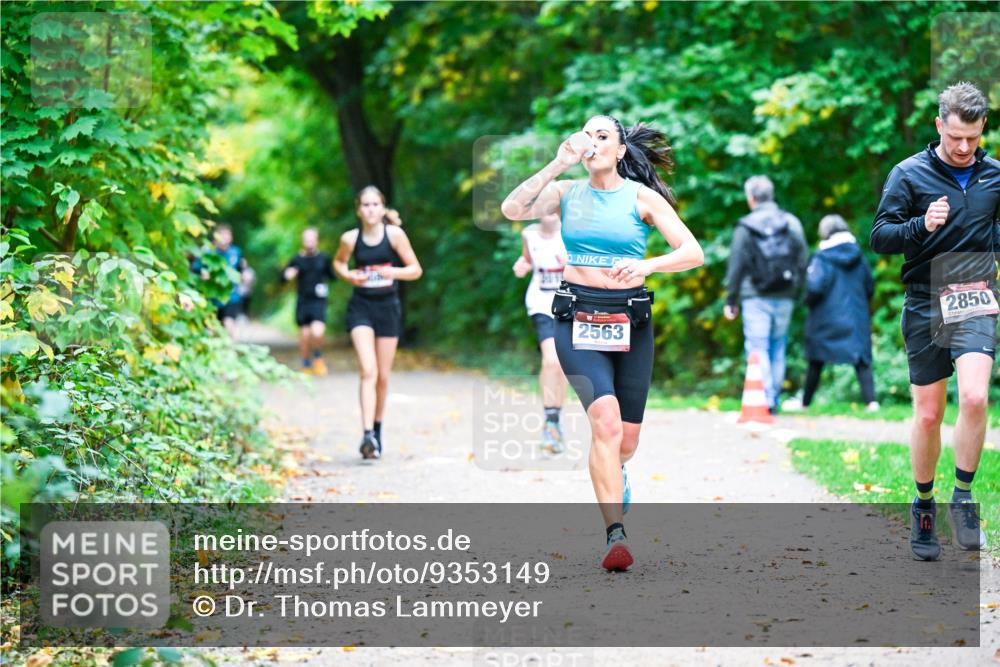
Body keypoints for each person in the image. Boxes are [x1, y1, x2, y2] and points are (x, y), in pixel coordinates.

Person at [501, 116, 704, 571]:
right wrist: (556, 163)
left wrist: (649, 266)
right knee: (606, 424)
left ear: (619, 152)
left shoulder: (641, 198)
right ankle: (615, 535)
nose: (591, 142)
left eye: (602, 136)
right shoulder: (567, 192)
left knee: (625, 442)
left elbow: (693, 252)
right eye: (586, 134)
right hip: (576, 317)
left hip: (630, 320)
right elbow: (512, 209)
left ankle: (619, 471)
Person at [870, 81, 998, 561]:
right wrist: (921, 225)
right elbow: (880, 237)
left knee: (975, 395)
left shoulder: (994, 176)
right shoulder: (908, 175)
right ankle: (923, 504)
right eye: (955, 137)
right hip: (925, 298)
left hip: (976, 295)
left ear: (983, 128)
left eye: (973, 138)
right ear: (939, 125)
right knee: (928, 414)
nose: (964, 148)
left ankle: (963, 498)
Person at [334, 186, 422, 460]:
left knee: (383, 377)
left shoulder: (394, 235)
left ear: (382, 208)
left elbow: (415, 270)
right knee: (368, 371)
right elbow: (338, 263)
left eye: (375, 204)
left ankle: (377, 430)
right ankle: (366, 434)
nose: (370, 209)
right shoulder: (350, 238)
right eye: (365, 205)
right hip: (361, 307)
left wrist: (390, 272)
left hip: (388, 308)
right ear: (358, 209)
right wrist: (349, 277)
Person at [723, 176, 808, 414]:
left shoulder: (746, 226)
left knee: (758, 345)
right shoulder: (790, 222)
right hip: (785, 295)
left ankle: (765, 399)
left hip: (754, 296)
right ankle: (773, 399)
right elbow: (802, 258)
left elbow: (736, 265)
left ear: (751, 198)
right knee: (777, 345)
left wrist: (731, 299)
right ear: (771, 195)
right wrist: (796, 289)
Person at [783, 215, 878, 412]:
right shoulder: (859, 256)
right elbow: (869, 287)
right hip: (855, 317)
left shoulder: (821, 257)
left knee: (816, 359)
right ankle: (872, 403)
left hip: (825, 319)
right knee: (861, 360)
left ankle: (805, 403)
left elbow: (815, 287)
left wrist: (806, 301)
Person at [512, 213, 570, 454]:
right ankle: (550, 420)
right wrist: (522, 265)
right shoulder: (529, 234)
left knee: (564, 364)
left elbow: (583, 266)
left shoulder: (571, 233)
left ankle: (554, 420)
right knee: (550, 360)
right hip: (540, 303)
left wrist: (568, 263)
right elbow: (526, 259)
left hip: (568, 303)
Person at [283, 228, 335, 375]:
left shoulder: (324, 258)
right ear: (303, 241)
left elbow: (332, 276)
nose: (310, 242)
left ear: (317, 240)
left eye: (312, 239)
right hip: (303, 301)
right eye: (307, 239)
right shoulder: (296, 259)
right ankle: (306, 363)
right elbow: (283, 277)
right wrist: (288, 275)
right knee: (305, 335)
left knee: (317, 332)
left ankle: (318, 357)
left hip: (318, 301)